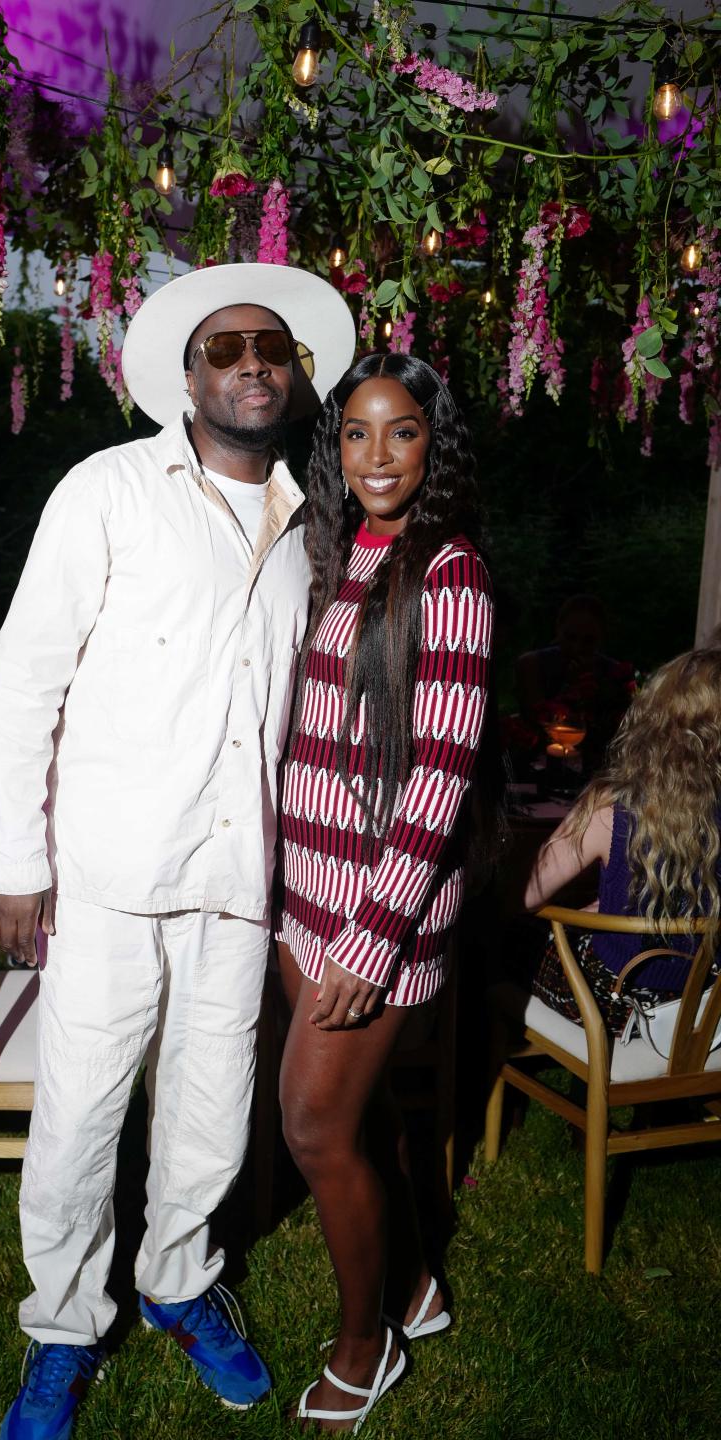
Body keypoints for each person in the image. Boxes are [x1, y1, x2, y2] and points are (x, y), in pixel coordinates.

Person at [0, 262, 356, 1439]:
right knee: (82, 1115)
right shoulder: (108, 490)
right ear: (187, 377)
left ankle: (180, 1283)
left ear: (294, 379)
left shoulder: (312, 527)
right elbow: (24, 681)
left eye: (270, 349)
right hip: (107, 875)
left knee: (209, 1106)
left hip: (237, 881)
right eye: (225, 348)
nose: (251, 363)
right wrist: (13, 862)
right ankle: (63, 1327)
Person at [274, 353, 494, 1431]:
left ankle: (369, 1347)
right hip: (303, 892)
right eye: (356, 433)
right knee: (357, 1121)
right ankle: (415, 1284)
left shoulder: (448, 575)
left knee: (313, 1129)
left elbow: (440, 777)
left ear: (431, 444)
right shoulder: (328, 552)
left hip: (378, 915)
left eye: (400, 433)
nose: (376, 457)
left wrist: (372, 937)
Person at [519, 647, 721, 1032]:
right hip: (708, 1008)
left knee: (509, 940)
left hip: (620, 1009)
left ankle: (469, 1067)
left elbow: (527, 895)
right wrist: (616, 908)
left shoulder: (613, 806)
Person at [515, 594, 634, 765]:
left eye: (588, 641)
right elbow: (536, 722)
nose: (577, 648)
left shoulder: (615, 673)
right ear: (558, 628)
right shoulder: (532, 665)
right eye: (570, 637)